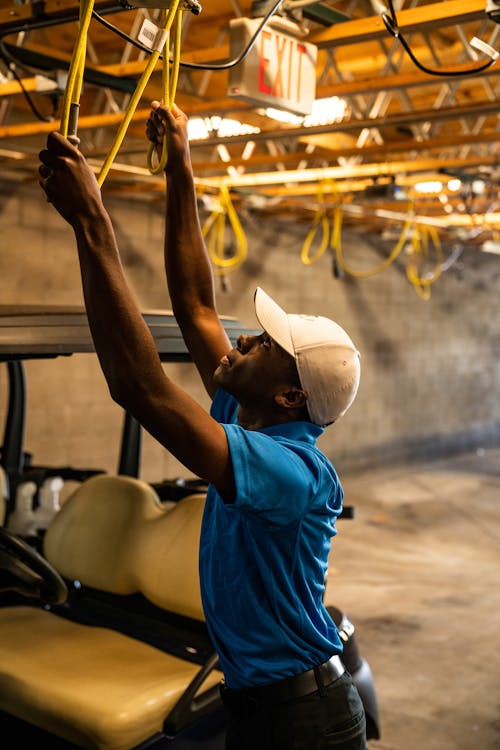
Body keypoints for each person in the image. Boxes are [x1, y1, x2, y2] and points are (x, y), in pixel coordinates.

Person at [38, 100, 366, 750]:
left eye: (264, 345)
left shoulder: (293, 470)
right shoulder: (247, 416)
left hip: (303, 722)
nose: (244, 338)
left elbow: (141, 388)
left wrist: (92, 224)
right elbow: (194, 304)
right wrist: (181, 165)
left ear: (291, 393)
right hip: (261, 706)